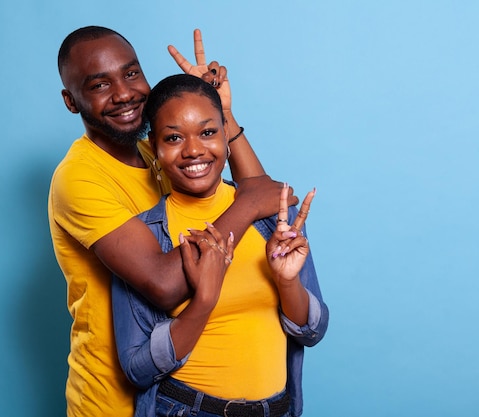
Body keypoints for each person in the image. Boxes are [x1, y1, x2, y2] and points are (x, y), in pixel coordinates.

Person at [49, 26, 296, 417]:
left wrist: (215, 110)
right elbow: (164, 285)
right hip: (114, 401)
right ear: (70, 101)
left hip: (177, 392)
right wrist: (247, 206)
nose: (124, 93)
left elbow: (262, 192)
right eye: (99, 84)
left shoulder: (157, 150)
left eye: (131, 73)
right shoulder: (79, 177)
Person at [111, 74, 329, 417]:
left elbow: (313, 331)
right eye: (173, 138)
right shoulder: (147, 236)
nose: (194, 149)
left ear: (227, 137)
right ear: (154, 147)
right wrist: (204, 301)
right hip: (186, 409)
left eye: (208, 132)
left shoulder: (270, 216)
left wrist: (287, 283)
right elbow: (137, 369)